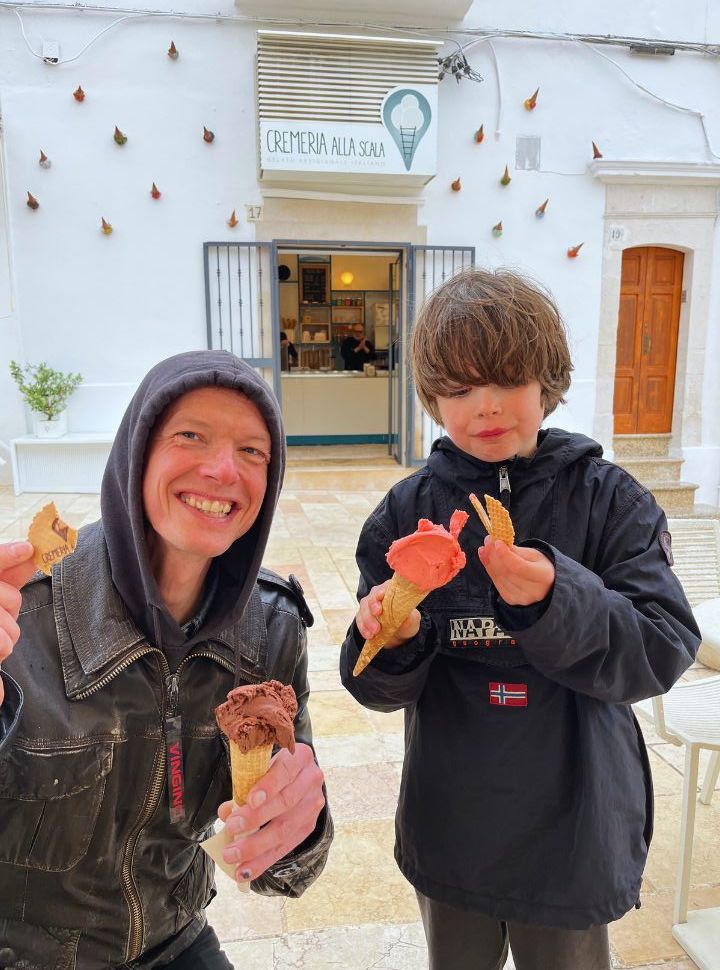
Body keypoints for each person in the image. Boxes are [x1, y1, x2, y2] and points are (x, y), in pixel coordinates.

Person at [339, 268, 700, 970]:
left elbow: (660, 649)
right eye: (459, 388)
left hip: (575, 819)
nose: (487, 407)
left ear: (548, 379)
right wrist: (390, 636)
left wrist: (554, 598)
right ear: (432, 397)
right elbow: (373, 689)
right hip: (453, 821)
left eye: (507, 379)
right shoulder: (403, 512)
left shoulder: (611, 501)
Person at [0, 350, 332, 970]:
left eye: (253, 451)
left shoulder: (273, 630)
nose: (222, 469)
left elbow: (281, 871)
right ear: (137, 452)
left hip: (173, 943)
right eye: (191, 435)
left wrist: (297, 829)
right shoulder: (22, 617)